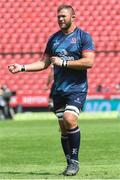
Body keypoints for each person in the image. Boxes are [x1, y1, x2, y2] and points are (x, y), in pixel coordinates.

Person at [8, 5, 95, 176]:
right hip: (59, 90)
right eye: (58, 17)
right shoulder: (53, 39)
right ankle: (69, 163)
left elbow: (89, 62)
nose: (60, 19)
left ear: (73, 17)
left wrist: (64, 63)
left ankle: (75, 162)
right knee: (63, 127)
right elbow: (44, 63)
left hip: (77, 89)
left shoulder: (83, 37)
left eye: (63, 16)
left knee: (70, 119)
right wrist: (22, 67)